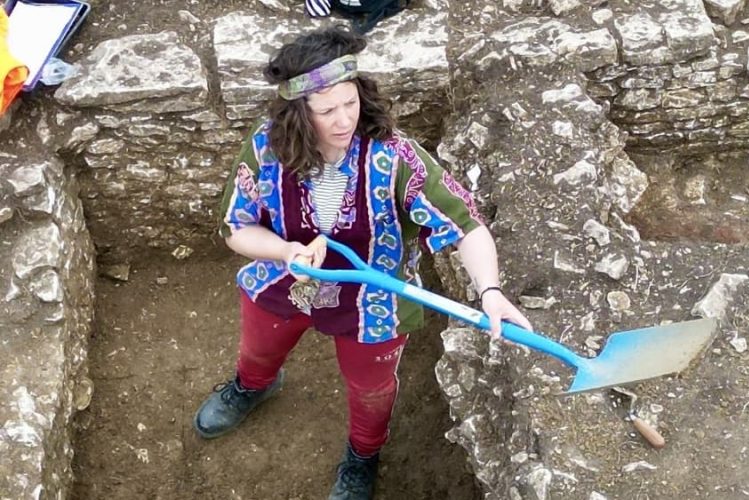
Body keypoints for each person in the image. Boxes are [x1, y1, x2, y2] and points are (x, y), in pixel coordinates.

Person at [193, 25, 533, 500]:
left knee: (371, 388)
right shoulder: (266, 147)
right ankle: (253, 385)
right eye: (326, 111)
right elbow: (236, 227)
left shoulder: (396, 158)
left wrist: (490, 291)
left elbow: (465, 225)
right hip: (281, 277)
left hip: (374, 295)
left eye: (349, 103)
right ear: (297, 114)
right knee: (259, 349)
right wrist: (286, 251)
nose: (343, 120)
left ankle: (364, 453)